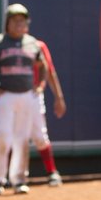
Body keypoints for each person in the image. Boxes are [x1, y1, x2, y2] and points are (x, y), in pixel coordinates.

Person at [0, 4, 48, 195]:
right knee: (2, 136)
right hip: (5, 96)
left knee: (22, 139)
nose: (19, 23)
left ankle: (19, 179)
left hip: (26, 95)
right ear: (7, 22)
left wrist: (40, 86)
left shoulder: (32, 43)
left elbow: (43, 66)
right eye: (15, 20)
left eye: (22, 20)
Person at [10, 32, 67, 190]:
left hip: (34, 96)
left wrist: (59, 97)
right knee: (19, 137)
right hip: (14, 96)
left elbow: (49, 72)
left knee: (40, 136)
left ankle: (52, 172)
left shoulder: (37, 46)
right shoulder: (7, 48)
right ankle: (20, 178)